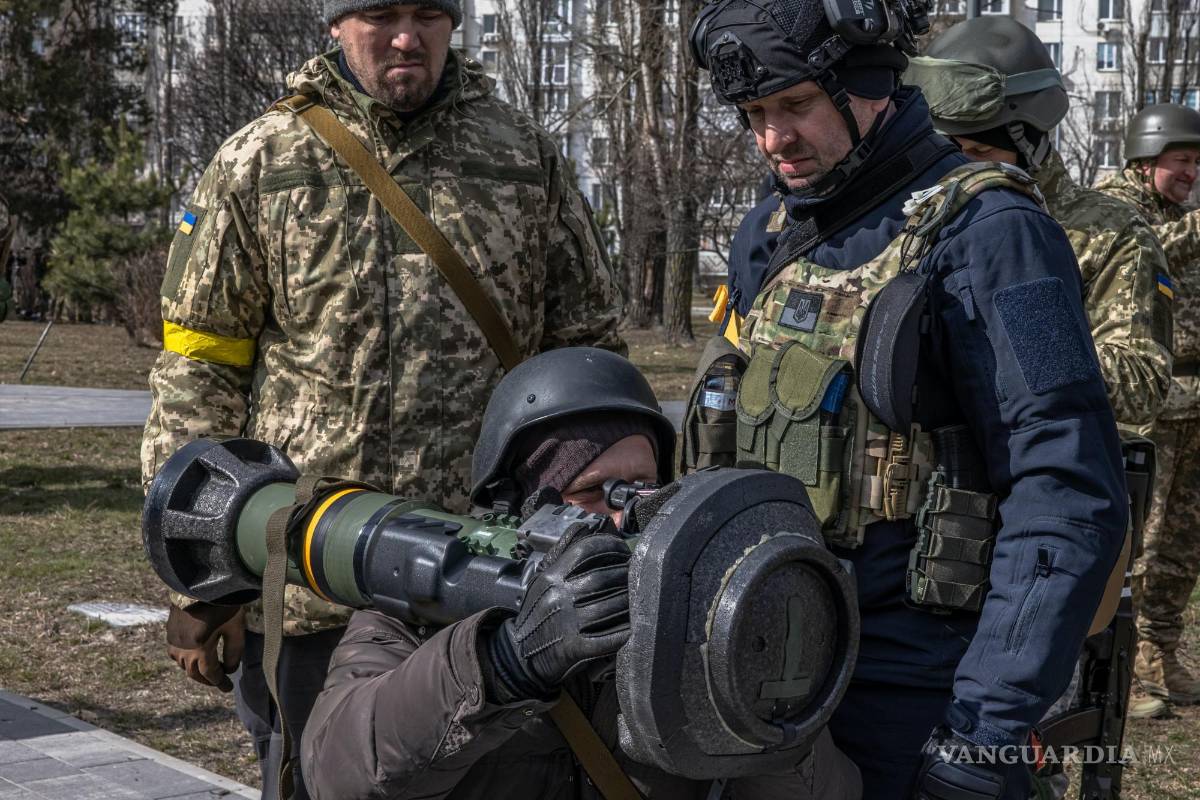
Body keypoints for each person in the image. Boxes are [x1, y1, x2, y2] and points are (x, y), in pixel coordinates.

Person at [142, 2, 624, 797]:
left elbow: (589, 358)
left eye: (431, 15)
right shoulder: (263, 160)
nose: (409, 38)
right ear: (335, 24)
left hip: (490, 582)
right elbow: (199, 372)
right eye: (382, 15)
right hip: (308, 581)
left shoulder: (521, 158)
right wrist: (203, 580)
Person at [689, 0, 1128, 798]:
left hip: (918, 687)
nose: (772, 139)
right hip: (761, 657)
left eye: (794, 106)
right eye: (755, 114)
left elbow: (1067, 488)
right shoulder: (772, 227)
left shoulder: (997, 235)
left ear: (869, 89)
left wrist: (985, 729)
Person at [300, 347, 862, 799]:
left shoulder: (693, 620)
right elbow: (337, 772)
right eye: (593, 493)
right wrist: (503, 664)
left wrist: (763, 706)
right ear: (518, 504)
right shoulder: (419, 601)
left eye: (645, 489)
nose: (625, 515)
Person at [906, 15, 1177, 724]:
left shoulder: (1100, 231)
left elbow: (1143, 379)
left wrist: (1032, 351)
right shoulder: (918, 218)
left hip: (1037, 524)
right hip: (918, 527)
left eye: (969, 143)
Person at [1095, 104, 1200, 712]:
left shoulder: (1182, 218)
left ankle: (1161, 651)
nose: (1191, 173)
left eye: (1195, 162)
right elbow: (1147, 252)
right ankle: (1124, 668)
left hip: (1193, 404)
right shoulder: (1114, 211)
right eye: (1181, 160)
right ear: (1143, 159)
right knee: (1134, 539)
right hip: (1145, 409)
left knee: (1181, 544)